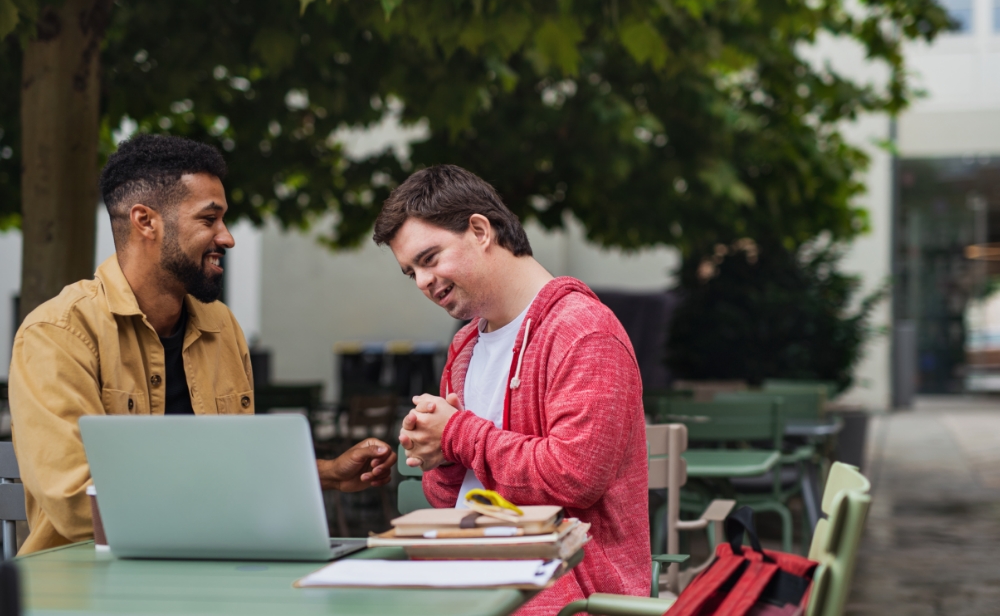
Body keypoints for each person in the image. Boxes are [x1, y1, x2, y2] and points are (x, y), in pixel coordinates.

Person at [9, 134, 395, 555]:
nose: (227, 237)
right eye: (209, 219)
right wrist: (230, 502)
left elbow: (235, 463)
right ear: (145, 221)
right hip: (88, 585)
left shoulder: (221, 326)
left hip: (214, 566)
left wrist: (325, 473)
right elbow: (76, 504)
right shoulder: (57, 333)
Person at [373, 165, 650, 613]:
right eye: (411, 273)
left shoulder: (584, 331)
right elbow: (452, 495)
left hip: (562, 599)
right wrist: (438, 456)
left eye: (429, 259)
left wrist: (457, 434)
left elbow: (573, 478)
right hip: (466, 585)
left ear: (480, 230)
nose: (423, 282)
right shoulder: (465, 344)